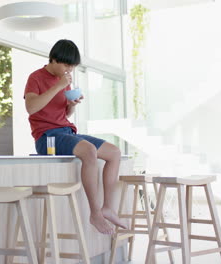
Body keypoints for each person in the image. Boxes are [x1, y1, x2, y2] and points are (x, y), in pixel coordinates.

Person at [24, 39, 127, 234]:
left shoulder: (64, 82)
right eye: (66, 65)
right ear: (53, 59)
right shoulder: (36, 78)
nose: (68, 70)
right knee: (88, 150)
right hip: (47, 137)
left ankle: (108, 208)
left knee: (114, 153)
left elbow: (63, 115)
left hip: (66, 131)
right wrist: (58, 86)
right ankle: (95, 213)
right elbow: (32, 108)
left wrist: (72, 104)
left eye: (71, 67)